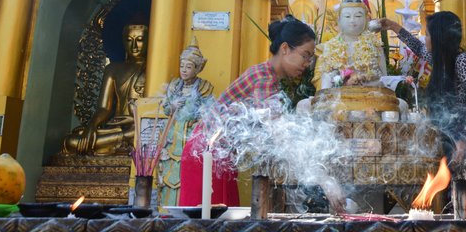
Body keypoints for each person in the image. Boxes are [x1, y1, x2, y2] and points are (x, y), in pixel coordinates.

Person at [178, 16, 346, 212]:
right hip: (204, 155)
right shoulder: (262, 77)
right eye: (305, 55)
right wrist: (324, 181)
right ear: (285, 48)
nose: (308, 63)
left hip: (217, 158)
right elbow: (280, 134)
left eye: (311, 58)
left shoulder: (270, 79)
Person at [380, 12, 466, 166]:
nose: (425, 39)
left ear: (439, 38)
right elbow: (418, 47)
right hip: (447, 136)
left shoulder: (462, 61)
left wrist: (464, 139)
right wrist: (393, 26)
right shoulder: (442, 60)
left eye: (427, 35)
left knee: (462, 187)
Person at [63, 24, 149, 155]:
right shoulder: (113, 69)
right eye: (129, 40)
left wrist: (133, 120)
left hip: (140, 128)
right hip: (115, 128)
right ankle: (122, 139)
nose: (134, 46)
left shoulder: (155, 68)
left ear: (149, 40)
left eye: (140, 40)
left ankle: (125, 138)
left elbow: (157, 107)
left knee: (143, 134)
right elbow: (104, 108)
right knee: (72, 140)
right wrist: (91, 126)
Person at [157, 37, 214, 207]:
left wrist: (197, 122)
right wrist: (172, 106)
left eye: (188, 67)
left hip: (191, 138)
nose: (184, 70)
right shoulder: (174, 86)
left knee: (189, 177)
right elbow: (166, 109)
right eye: (182, 66)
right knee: (168, 176)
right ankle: (167, 210)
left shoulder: (205, 88)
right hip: (172, 137)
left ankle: (186, 209)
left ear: (197, 68)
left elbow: (209, 113)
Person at [312, 0, 387, 90]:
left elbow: (384, 80)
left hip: (369, 97)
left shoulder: (375, 46)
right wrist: (339, 78)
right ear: (339, 20)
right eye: (347, 16)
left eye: (358, 16)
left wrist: (363, 79)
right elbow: (324, 84)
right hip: (338, 99)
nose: (352, 21)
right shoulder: (328, 47)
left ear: (366, 19)